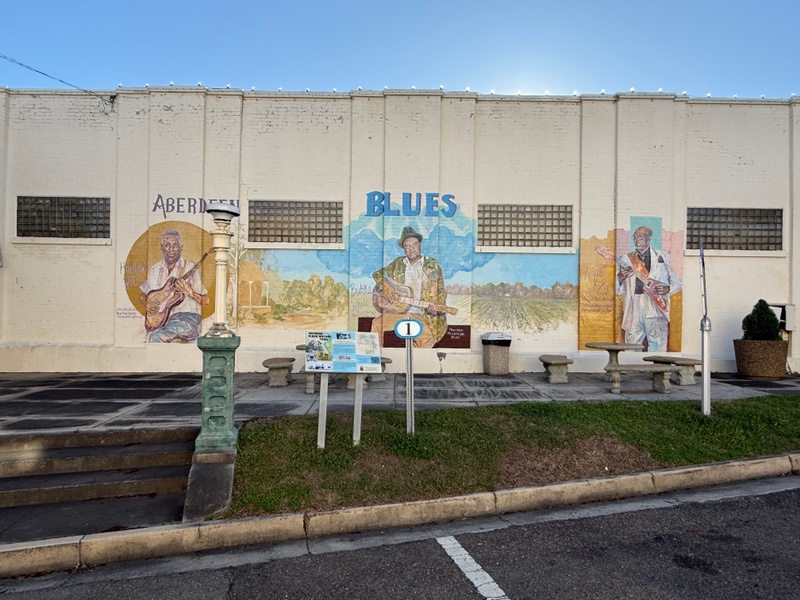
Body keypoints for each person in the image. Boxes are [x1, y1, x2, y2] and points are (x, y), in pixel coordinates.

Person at [371, 226, 453, 348]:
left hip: (424, 315)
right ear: (403, 248)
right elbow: (377, 274)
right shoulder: (398, 263)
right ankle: (375, 360)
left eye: (414, 245)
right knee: (377, 324)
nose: (411, 249)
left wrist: (437, 305)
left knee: (427, 339)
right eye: (407, 246)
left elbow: (441, 290)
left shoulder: (432, 265)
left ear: (419, 245)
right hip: (400, 312)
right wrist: (386, 286)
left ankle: (416, 365)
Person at [616, 225, 682, 352]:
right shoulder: (626, 259)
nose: (636, 240)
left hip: (655, 305)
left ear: (649, 238)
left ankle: (657, 370)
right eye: (634, 237)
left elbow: (677, 282)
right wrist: (621, 277)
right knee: (632, 343)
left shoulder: (662, 256)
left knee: (657, 343)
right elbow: (618, 288)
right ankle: (631, 370)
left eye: (640, 237)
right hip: (634, 305)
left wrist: (668, 289)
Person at [139, 230, 209, 343]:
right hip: (161, 320)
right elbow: (143, 296)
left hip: (186, 319)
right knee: (146, 336)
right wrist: (147, 304)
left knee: (156, 337)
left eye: (175, 245)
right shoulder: (154, 269)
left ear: (181, 247)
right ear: (162, 247)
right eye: (167, 245)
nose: (171, 249)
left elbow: (205, 301)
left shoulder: (189, 267)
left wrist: (190, 292)